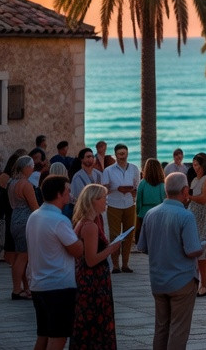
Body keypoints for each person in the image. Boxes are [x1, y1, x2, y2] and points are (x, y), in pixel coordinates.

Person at [137, 173, 205, 350]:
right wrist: (204, 246)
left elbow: (142, 247)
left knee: (161, 328)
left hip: (158, 280)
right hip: (181, 280)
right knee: (178, 330)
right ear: (184, 191)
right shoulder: (185, 216)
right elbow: (192, 251)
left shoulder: (151, 214)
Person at [26, 175, 83, 350]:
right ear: (59, 194)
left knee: (43, 335)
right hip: (58, 287)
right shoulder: (59, 220)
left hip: (38, 284)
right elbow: (78, 251)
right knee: (58, 338)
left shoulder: (34, 216)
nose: (70, 194)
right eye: (67, 190)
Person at [71, 183, 120, 350]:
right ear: (94, 200)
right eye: (104, 198)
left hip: (89, 280)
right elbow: (91, 260)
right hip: (93, 282)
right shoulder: (90, 226)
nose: (106, 201)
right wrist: (111, 249)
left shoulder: (85, 221)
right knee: (96, 326)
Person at [100, 144, 139, 273]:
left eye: (124, 153)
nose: (122, 156)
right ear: (115, 155)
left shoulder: (134, 168)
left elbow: (137, 185)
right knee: (115, 235)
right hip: (114, 204)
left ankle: (126, 264)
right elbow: (104, 188)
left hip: (129, 204)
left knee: (129, 234)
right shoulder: (108, 170)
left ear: (127, 154)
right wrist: (117, 189)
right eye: (120, 154)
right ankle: (116, 265)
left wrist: (133, 190)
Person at [9, 155, 37, 299]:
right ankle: (16, 289)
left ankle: (26, 288)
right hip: (26, 221)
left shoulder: (13, 182)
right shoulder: (26, 185)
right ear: (26, 168)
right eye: (31, 166)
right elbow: (34, 207)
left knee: (21, 256)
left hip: (15, 219)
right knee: (23, 256)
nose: (33, 168)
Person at [187, 153, 206, 296]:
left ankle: (204, 285)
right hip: (193, 216)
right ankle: (196, 283)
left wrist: (189, 197)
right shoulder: (193, 180)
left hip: (202, 217)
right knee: (194, 251)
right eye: (193, 164)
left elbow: (204, 198)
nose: (195, 167)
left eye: (197, 164)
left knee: (203, 253)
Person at [136, 158, 165, 244]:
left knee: (146, 239)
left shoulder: (142, 183)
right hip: (158, 212)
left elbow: (138, 200)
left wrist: (138, 213)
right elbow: (163, 200)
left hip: (144, 213)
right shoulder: (162, 184)